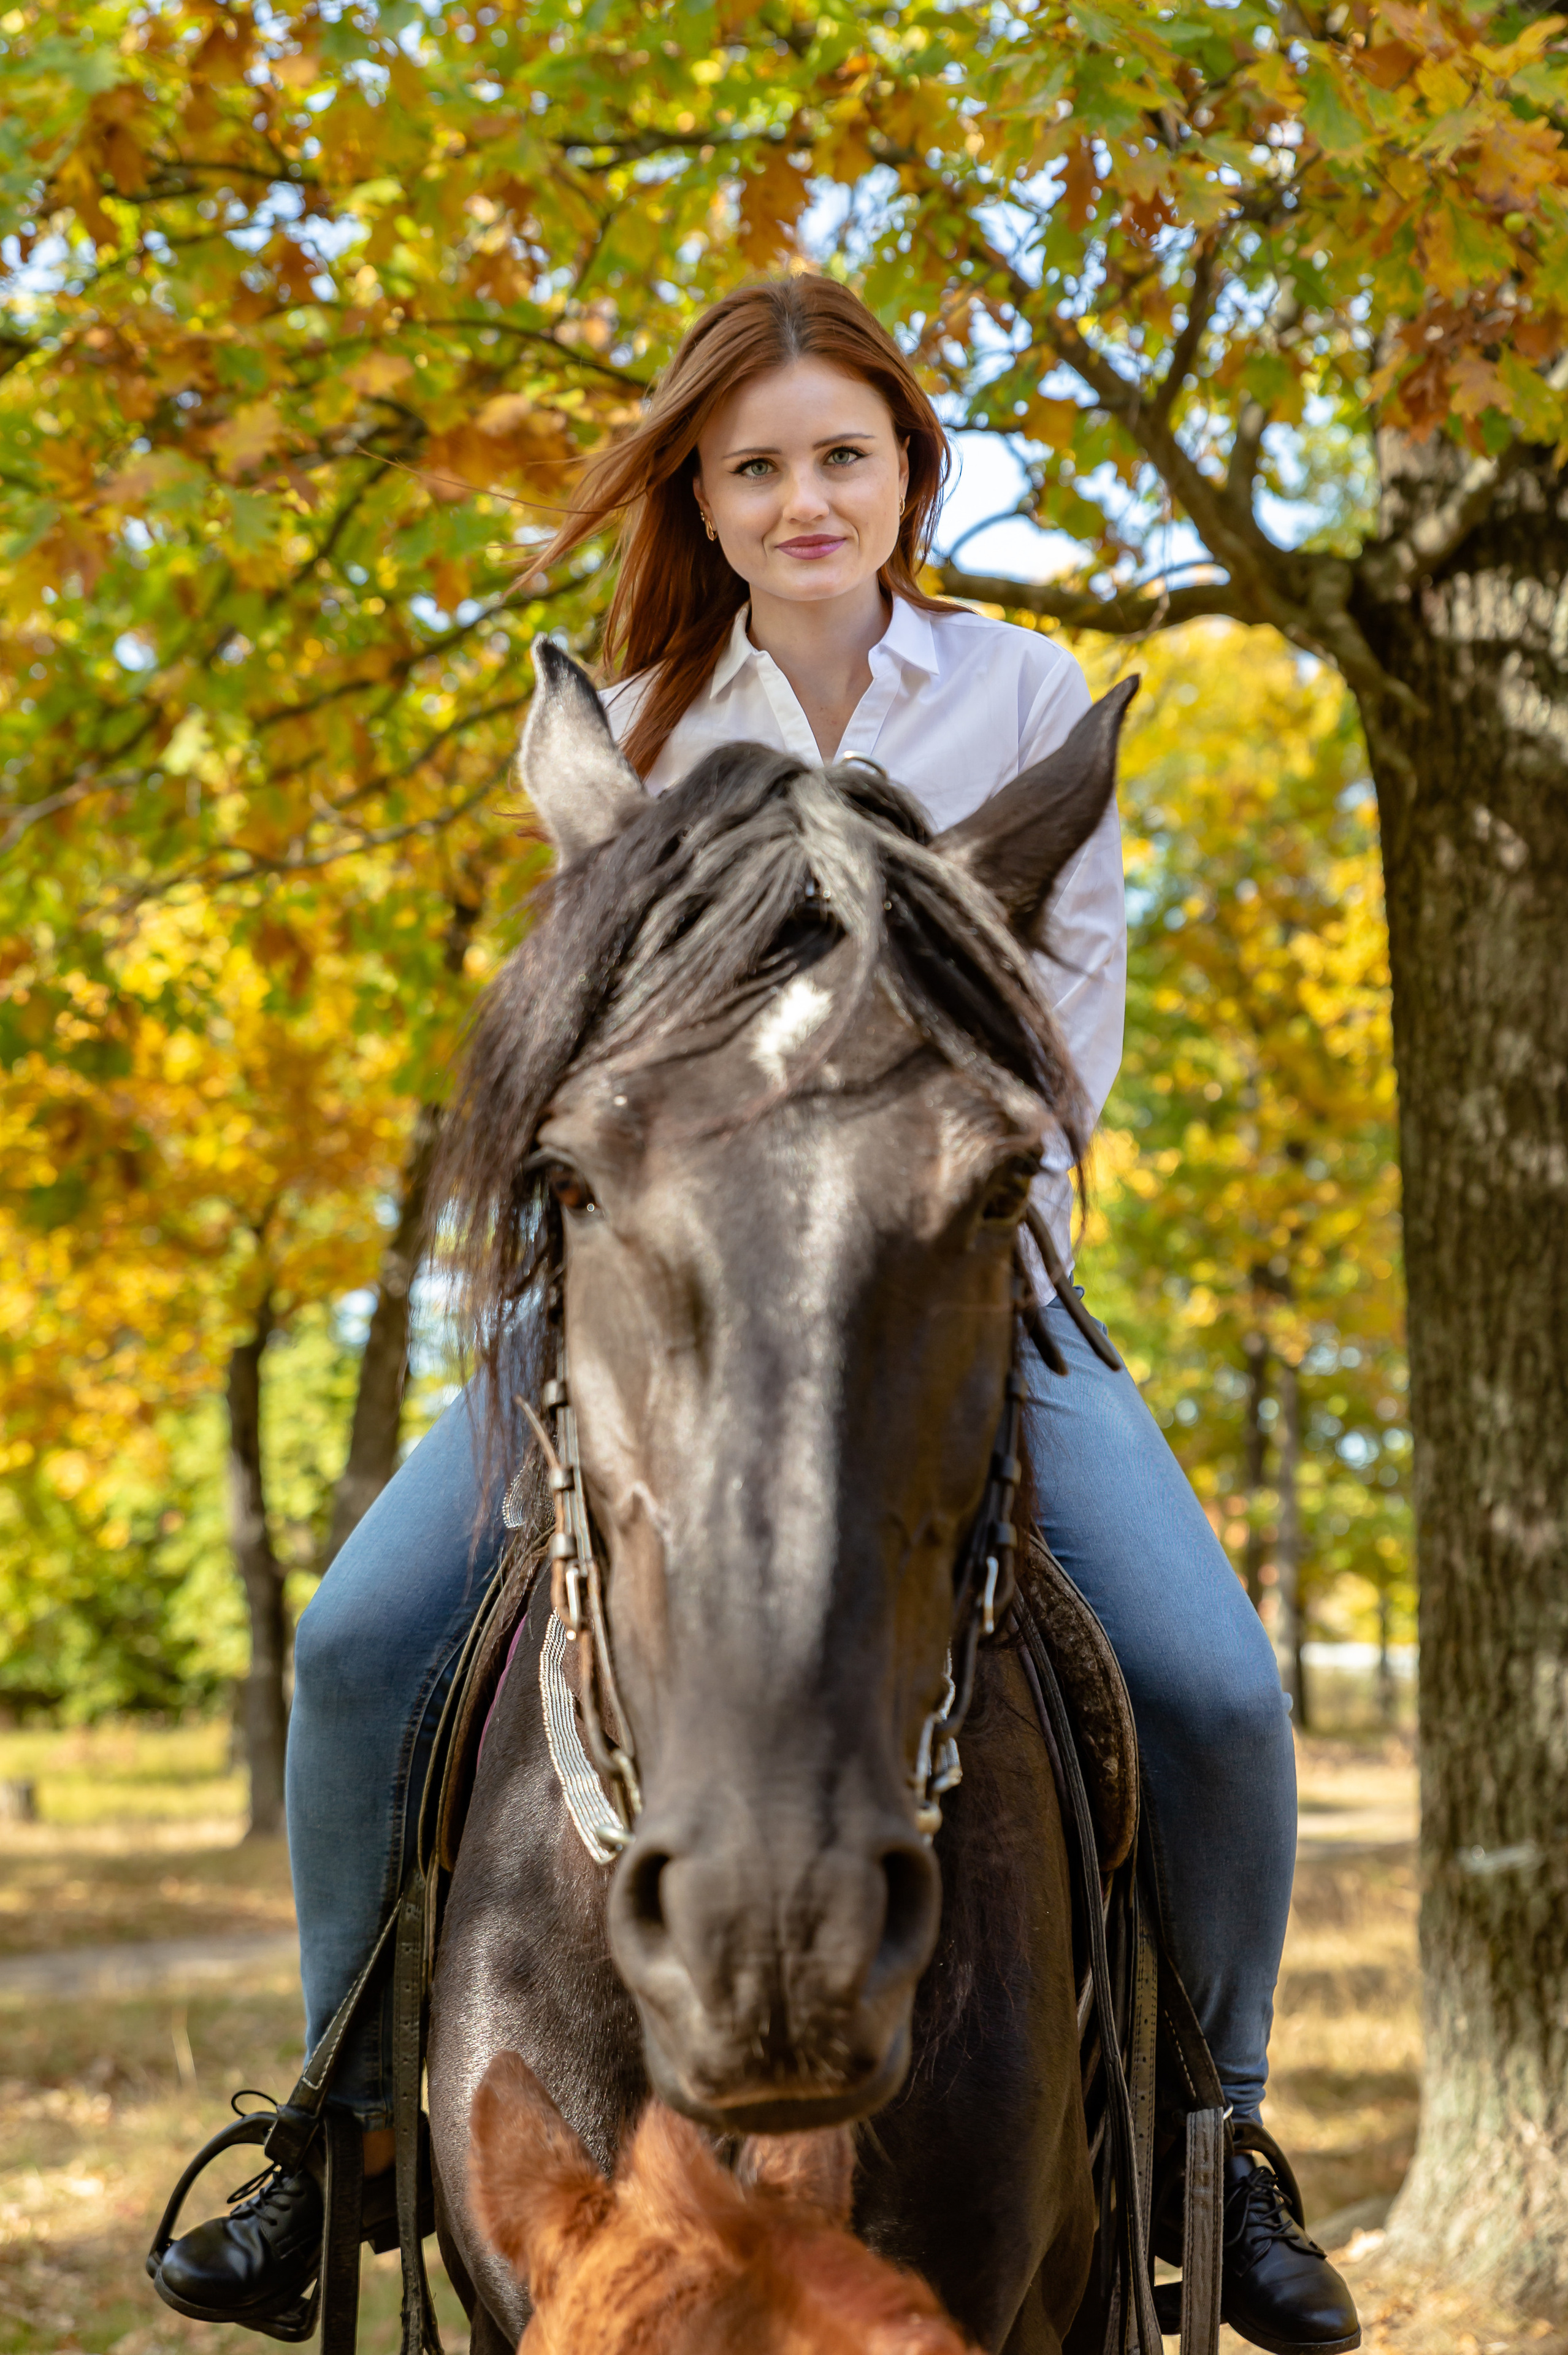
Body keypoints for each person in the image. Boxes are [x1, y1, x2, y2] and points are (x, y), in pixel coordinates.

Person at [155, 278, 1358, 2355]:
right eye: (757, 466)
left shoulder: (1020, 704)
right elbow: (565, 1075)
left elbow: (1059, 1066)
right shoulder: (630, 738)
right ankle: (335, 2125)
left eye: (846, 457)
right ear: (703, 504)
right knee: (359, 1648)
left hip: (940, 1289)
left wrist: (923, 1225)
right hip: (646, 1305)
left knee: (1220, 1690)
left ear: (909, 476)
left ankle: (1217, 2139)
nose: (807, 498)